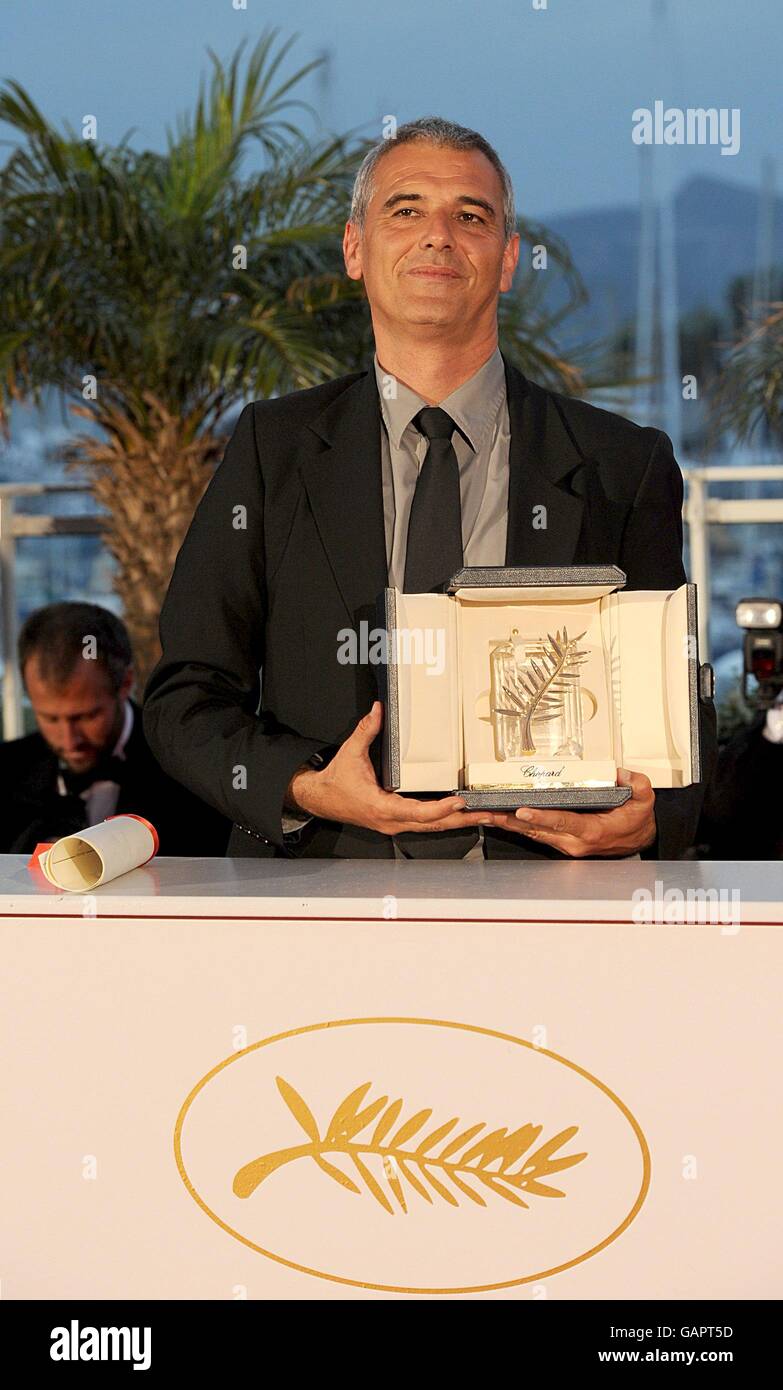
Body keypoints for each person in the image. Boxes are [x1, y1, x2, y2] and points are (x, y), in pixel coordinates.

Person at [143, 116, 717, 861]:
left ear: (507, 260)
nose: (437, 235)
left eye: (469, 216)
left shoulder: (621, 462)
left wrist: (654, 818)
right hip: (319, 898)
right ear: (355, 249)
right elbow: (186, 694)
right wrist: (302, 786)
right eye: (405, 209)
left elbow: (673, 698)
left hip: (547, 906)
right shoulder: (271, 448)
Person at [0, 602, 231, 856]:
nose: (69, 740)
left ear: (125, 684)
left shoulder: (185, 767)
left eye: (87, 716)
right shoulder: (7, 771)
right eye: (50, 718)